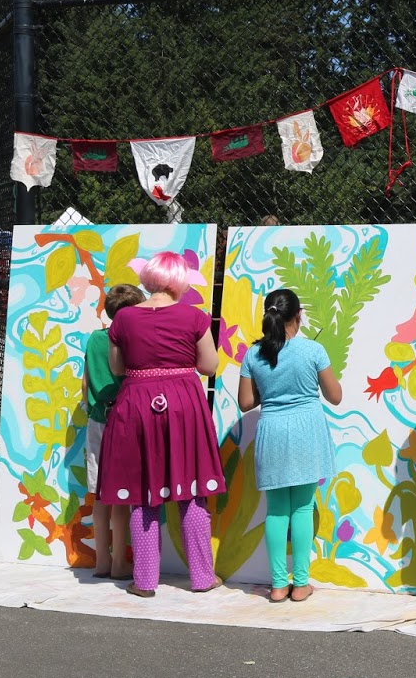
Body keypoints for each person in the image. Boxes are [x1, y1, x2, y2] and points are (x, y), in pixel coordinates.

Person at [98, 251, 225, 598]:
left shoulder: (122, 320)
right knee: (193, 490)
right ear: (178, 281)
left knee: (143, 493)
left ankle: (144, 580)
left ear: (149, 277)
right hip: (184, 403)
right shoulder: (194, 317)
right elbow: (210, 366)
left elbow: (117, 369)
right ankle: (202, 577)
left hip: (137, 403)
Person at [237, 289, 342, 602]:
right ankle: (301, 585)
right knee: (303, 507)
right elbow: (335, 396)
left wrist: (270, 389)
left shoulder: (253, 355)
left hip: (272, 432)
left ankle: (279, 585)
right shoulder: (314, 350)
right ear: (299, 315)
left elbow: (245, 402)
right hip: (306, 431)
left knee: (276, 510)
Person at [83, 282, 145, 579]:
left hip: (97, 418)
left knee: (98, 494)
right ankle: (120, 562)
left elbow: (85, 384)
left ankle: (101, 561)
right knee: (120, 496)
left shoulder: (95, 339)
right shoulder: (134, 342)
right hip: (124, 420)